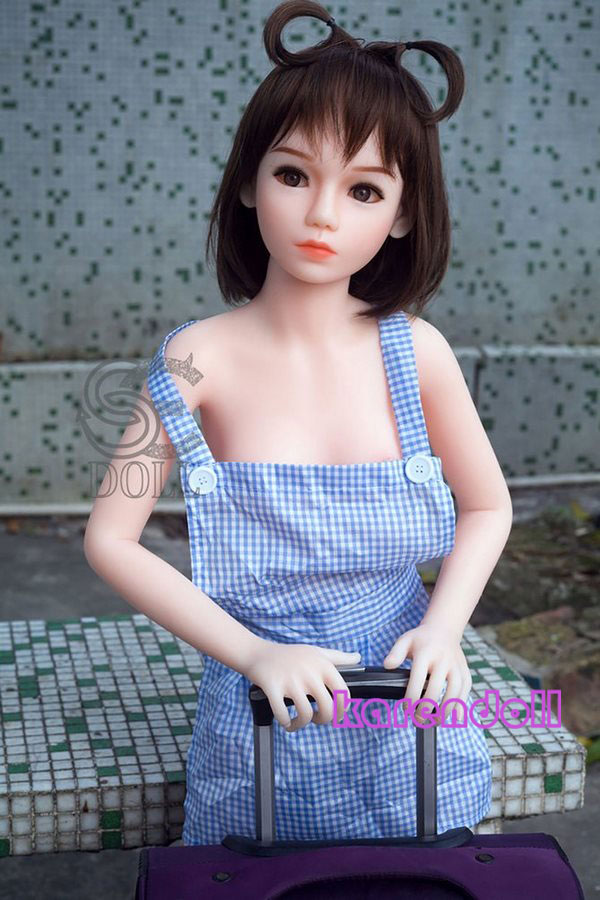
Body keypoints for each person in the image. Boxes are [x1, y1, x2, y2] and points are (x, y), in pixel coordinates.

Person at [84, 0, 513, 846]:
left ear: (402, 214)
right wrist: (252, 652)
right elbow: (110, 539)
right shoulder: (192, 360)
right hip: (263, 709)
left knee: (425, 875)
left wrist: (443, 628)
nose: (323, 214)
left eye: (363, 190)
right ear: (248, 182)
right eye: (293, 175)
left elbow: (488, 504)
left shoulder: (416, 353)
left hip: (408, 707)